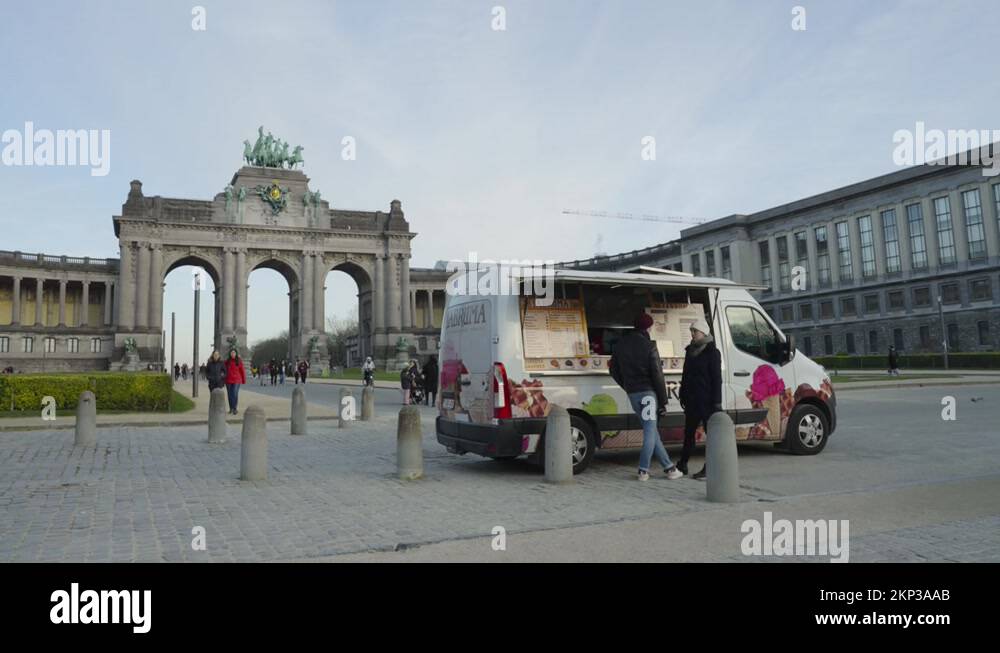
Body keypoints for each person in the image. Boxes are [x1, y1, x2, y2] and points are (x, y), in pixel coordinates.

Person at [610, 313, 682, 481]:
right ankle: (643, 469)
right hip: (648, 393)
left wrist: (626, 385)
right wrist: (663, 401)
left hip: (633, 394)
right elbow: (657, 375)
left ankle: (669, 468)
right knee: (650, 431)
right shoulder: (649, 346)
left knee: (652, 431)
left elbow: (613, 370)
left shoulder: (621, 345)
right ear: (648, 327)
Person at [677, 317, 723, 481]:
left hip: (707, 401)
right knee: (688, 433)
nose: (692, 334)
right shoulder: (690, 351)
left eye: (694, 331)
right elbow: (686, 374)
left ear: (703, 332)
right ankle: (682, 464)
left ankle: (710, 466)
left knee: (710, 435)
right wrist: (682, 393)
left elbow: (717, 378)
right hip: (691, 399)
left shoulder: (713, 353)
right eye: (691, 331)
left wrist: (717, 402)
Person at [224, 349, 246, 415]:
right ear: (230, 354)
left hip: (237, 380)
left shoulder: (239, 361)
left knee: (235, 394)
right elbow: (223, 370)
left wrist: (243, 380)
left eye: (234, 353)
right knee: (229, 395)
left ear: (236, 353)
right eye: (231, 353)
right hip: (228, 380)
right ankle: (231, 408)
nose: (233, 354)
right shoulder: (227, 361)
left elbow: (242, 370)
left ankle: (235, 408)